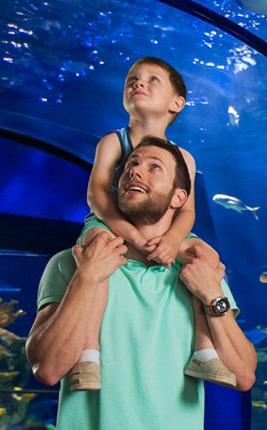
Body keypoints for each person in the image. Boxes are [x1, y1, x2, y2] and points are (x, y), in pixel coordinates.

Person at [27, 137, 257, 428]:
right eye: (131, 166)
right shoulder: (68, 263)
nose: (135, 171)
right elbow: (47, 369)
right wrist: (87, 277)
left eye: (154, 167)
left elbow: (244, 376)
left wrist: (213, 294)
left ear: (179, 198)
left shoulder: (201, 270)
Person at [68, 56, 233, 391]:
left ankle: (204, 351)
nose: (138, 83)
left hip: (163, 232)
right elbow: (98, 197)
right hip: (108, 224)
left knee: (207, 257)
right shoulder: (113, 142)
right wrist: (127, 234)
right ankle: (88, 356)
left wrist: (173, 240)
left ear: (177, 103)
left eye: (151, 79)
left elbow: (186, 212)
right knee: (97, 254)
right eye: (132, 78)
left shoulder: (184, 157)